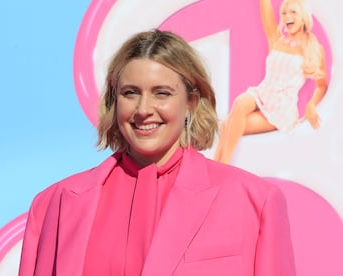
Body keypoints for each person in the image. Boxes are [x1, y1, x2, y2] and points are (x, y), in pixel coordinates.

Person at [19, 29, 295, 275]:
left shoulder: (254, 201)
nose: (143, 109)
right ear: (114, 102)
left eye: (161, 93)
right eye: (130, 93)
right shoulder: (52, 206)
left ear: (191, 102)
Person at [214, 0, 328, 164]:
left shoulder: (315, 48)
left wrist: (311, 105)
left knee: (227, 126)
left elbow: (321, 85)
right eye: (284, 13)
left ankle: (216, 170)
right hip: (261, 94)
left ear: (302, 15)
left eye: (293, 12)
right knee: (239, 102)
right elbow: (265, 6)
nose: (287, 16)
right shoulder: (277, 39)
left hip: (281, 109)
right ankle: (220, 168)